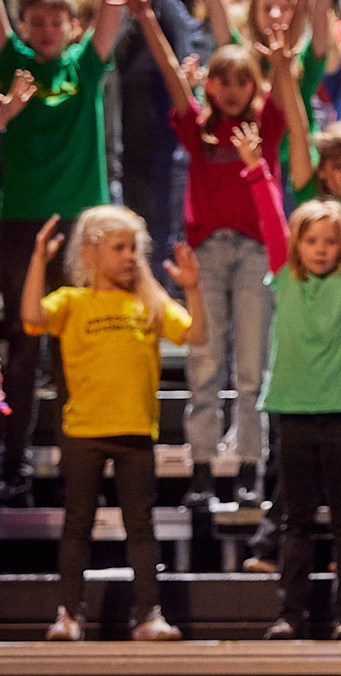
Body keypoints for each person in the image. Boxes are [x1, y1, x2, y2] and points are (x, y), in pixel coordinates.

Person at [235, 118, 341, 640]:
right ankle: (290, 615)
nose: (321, 249)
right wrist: (256, 168)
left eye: (331, 241)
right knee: (296, 523)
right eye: (311, 240)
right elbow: (269, 216)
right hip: (294, 413)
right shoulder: (284, 275)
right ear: (296, 244)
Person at [0, 0, 134, 505]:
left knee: (82, 343)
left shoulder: (87, 65)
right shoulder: (12, 61)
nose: (47, 30)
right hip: (20, 221)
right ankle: (16, 466)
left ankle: (85, 461)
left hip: (82, 224)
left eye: (57, 21)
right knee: (23, 347)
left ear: (72, 27)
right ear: (25, 26)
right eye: (36, 21)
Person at [129, 0, 287, 506]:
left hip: (254, 251)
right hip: (205, 254)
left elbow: (281, 81)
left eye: (245, 79)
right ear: (212, 84)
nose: (235, 89)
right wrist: (147, 18)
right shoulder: (198, 127)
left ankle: (248, 465)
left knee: (250, 367)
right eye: (225, 79)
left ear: (256, 84)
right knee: (204, 363)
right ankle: (200, 467)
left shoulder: (264, 125)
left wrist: (280, 57)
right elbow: (174, 73)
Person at [23, 206, 205, 642]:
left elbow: (196, 335)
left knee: (140, 525)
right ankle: (69, 615)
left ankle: (149, 615)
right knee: (77, 524)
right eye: (118, 248)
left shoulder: (148, 302)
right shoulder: (72, 301)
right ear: (89, 253)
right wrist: (37, 261)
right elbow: (32, 317)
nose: (129, 257)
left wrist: (193, 289)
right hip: (84, 431)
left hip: (136, 431)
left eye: (134, 249)